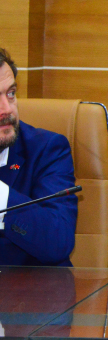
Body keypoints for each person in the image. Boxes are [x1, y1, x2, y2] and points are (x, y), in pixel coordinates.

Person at [0, 48, 78, 266]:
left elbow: (58, 242)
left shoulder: (46, 150)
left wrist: (2, 197)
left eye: (11, 93)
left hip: (30, 286)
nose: (7, 109)